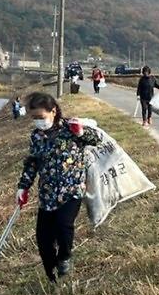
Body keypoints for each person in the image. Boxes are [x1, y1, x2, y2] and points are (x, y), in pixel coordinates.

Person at [16, 92, 101, 281]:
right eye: (34, 118)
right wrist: (23, 187)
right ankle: (51, 275)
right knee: (43, 240)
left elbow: (97, 139)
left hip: (72, 191)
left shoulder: (71, 128)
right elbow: (32, 163)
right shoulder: (36, 136)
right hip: (47, 194)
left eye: (41, 117)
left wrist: (81, 132)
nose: (38, 122)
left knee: (64, 225)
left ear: (53, 111)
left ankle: (65, 257)